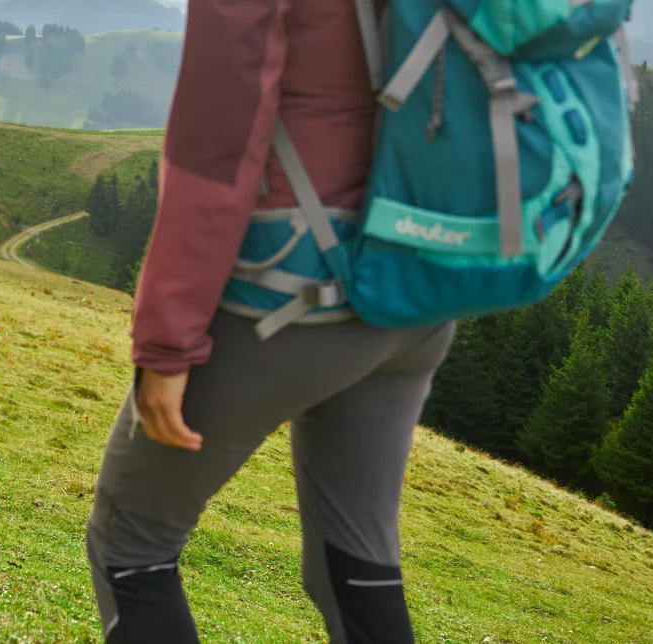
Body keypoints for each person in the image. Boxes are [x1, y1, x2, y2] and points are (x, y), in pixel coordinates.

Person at [82, 0, 459, 642]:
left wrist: (167, 341)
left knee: (132, 544)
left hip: (295, 290)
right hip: (419, 282)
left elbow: (216, 141)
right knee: (354, 561)